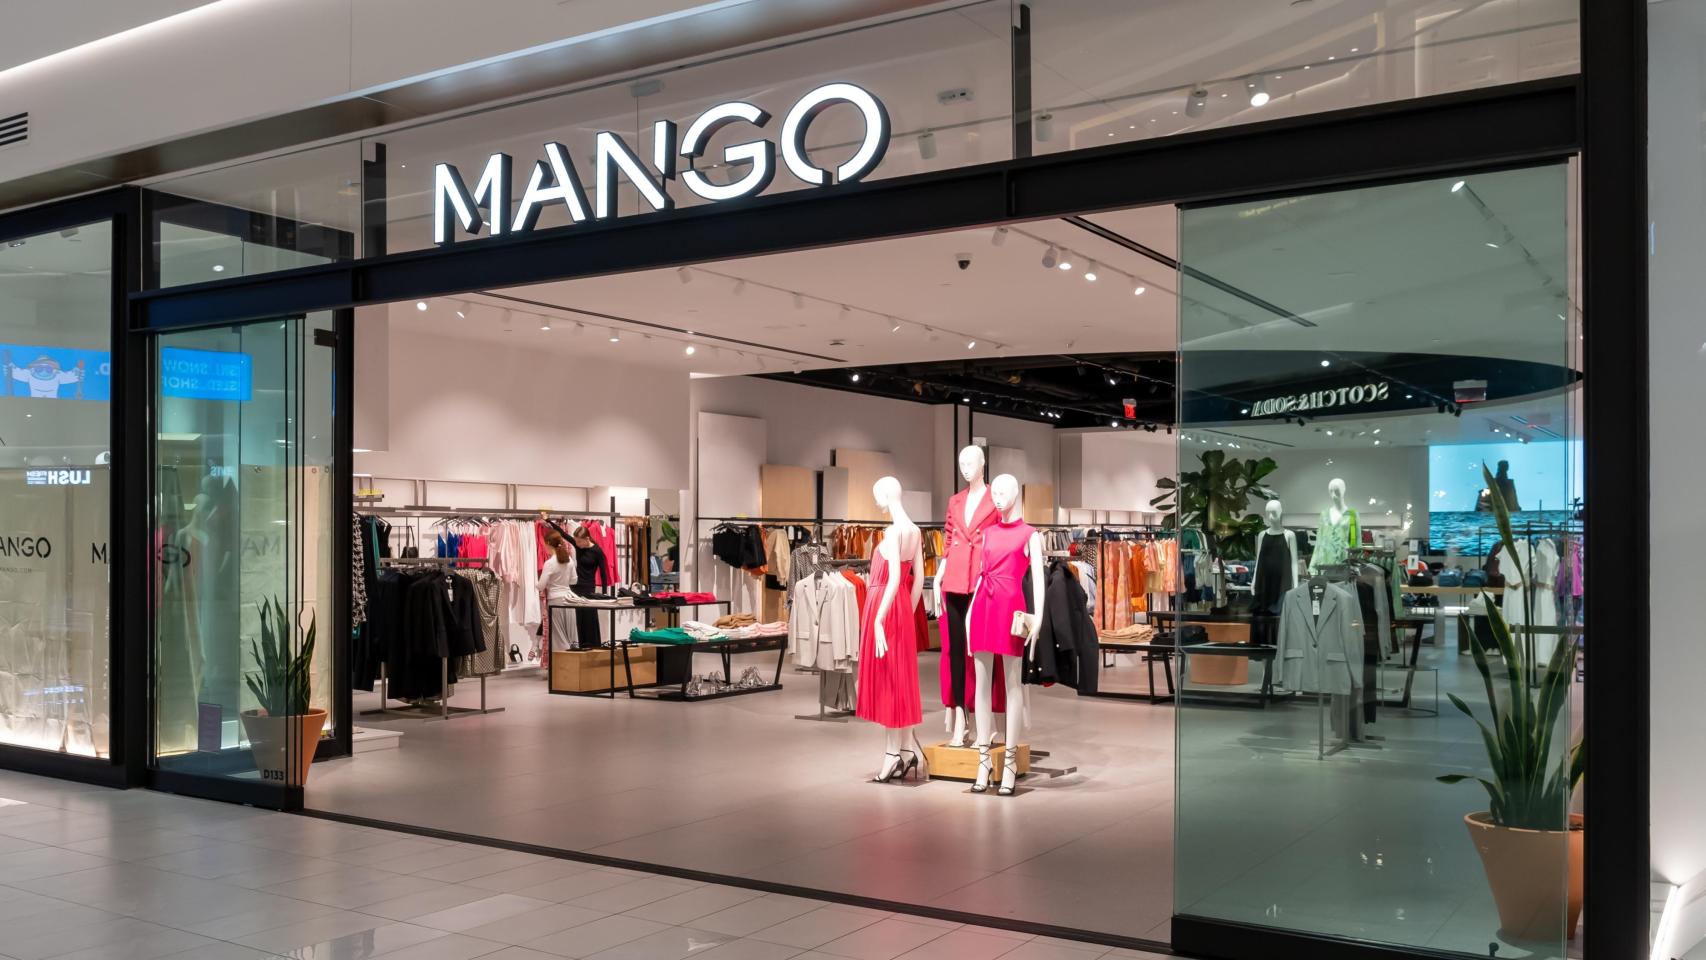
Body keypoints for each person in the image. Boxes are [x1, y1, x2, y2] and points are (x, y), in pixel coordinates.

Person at [539, 530, 579, 652]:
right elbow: (574, 581)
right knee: (571, 635)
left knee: (558, 636)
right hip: (569, 599)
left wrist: (535, 583)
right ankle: (574, 659)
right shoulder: (569, 560)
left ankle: (561, 662)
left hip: (555, 600)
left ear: (548, 543)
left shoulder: (549, 563)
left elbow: (541, 586)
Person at [570, 525, 606, 647]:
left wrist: (604, 593)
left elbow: (603, 573)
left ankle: (594, 645)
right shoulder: (578, 547)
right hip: (576, 587)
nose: (577, 544)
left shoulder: (597, 551)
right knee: (579, 617)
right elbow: (564, 535)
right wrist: (548, 520)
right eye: (576, 541)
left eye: (579, 541)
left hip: (589, 588)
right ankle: (583, 645)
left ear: (587, 538)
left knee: (590, 616)